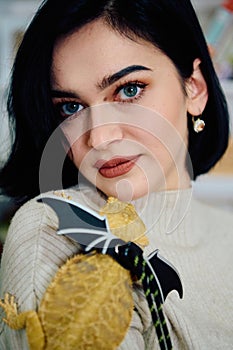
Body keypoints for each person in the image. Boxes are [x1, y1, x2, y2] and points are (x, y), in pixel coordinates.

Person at [0, 0, 232, 349]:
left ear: (194, 88)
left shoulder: (226, 228)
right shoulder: (54, 231)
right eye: (71, 107)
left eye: (129, 90)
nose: (99, 138)